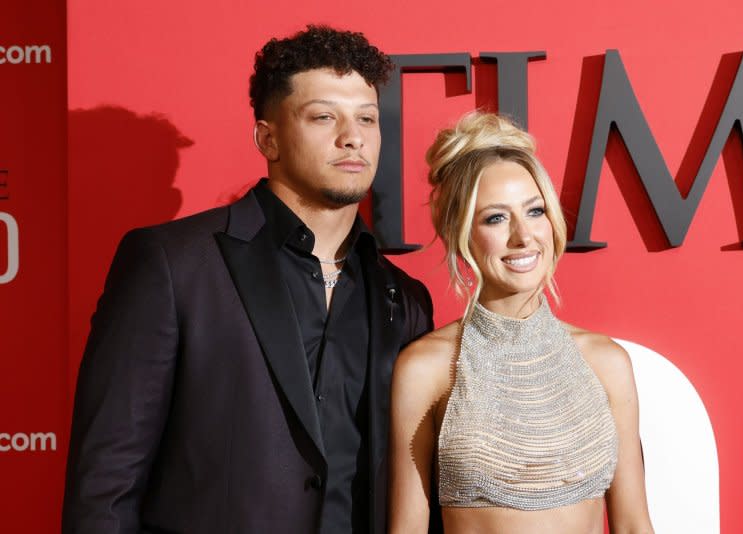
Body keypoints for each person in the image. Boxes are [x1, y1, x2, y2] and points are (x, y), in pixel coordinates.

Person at [63, 25, 433, 534]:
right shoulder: (171, 265)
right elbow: (105, 485)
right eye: (324, 116)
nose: (353, 136)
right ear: (268, 137)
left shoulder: (405, 299)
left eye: (367, 118)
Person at [388, 112, 654, 533]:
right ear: (461, 232)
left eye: (535, 211)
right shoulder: (426, 367)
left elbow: (634, 524)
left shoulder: (605, 361)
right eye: (495, 218)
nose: (523, 236)